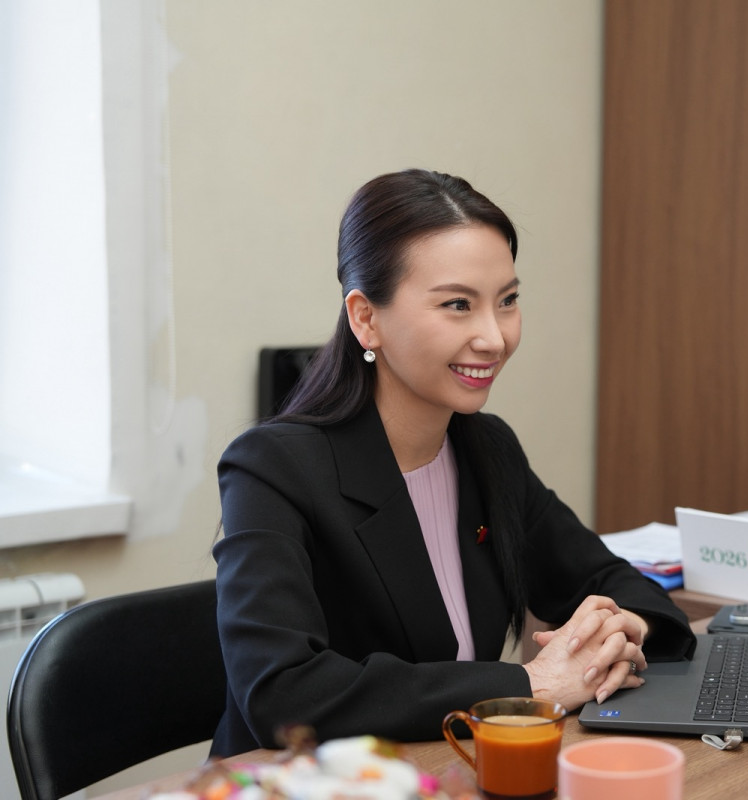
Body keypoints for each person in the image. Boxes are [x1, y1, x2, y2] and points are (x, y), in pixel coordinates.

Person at [211, 169, 697, 756]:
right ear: (366, 318)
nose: (494, 337)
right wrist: (531, 685)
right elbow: (283, 694)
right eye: (458, 305)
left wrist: (622, 630)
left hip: (450, 769)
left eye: (507, 301)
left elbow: (609, 580)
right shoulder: (272, 468)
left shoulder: (487, 449)